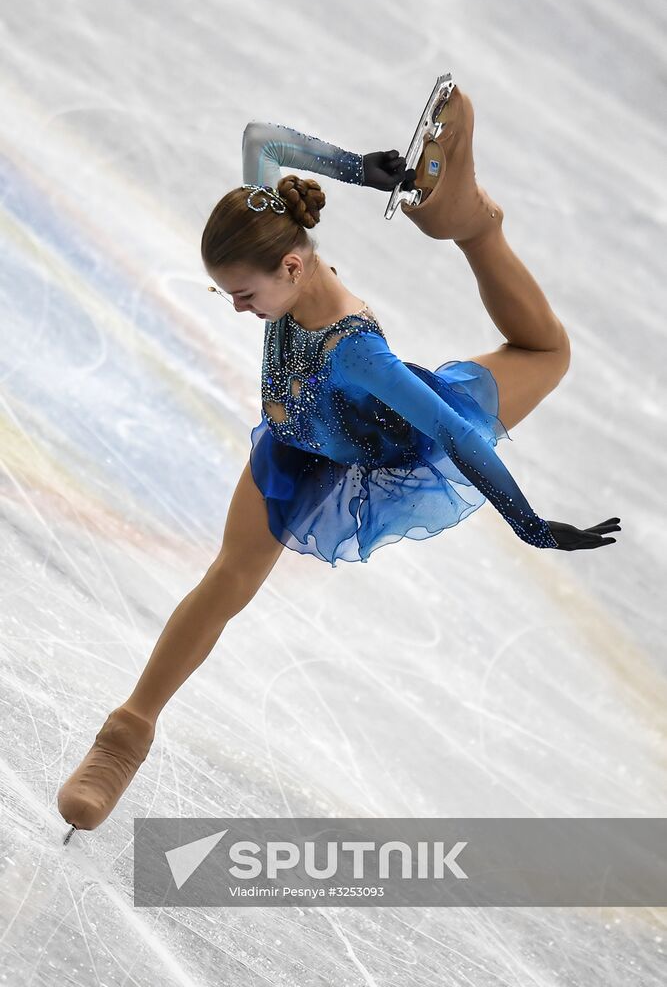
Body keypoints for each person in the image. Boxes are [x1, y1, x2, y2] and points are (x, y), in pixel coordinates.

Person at [58, 81, 621, 840]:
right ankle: (123, 737)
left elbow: (456, 435)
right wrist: (368, 169)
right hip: (299, 444)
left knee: (546, 352)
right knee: (228, 575)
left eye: (242, 296)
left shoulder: (358, 352)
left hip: (395, 441)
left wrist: (528, 524)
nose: (235, 309)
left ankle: (474, 225)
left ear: (292, 268)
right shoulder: (272, 232)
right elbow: (264, 141)